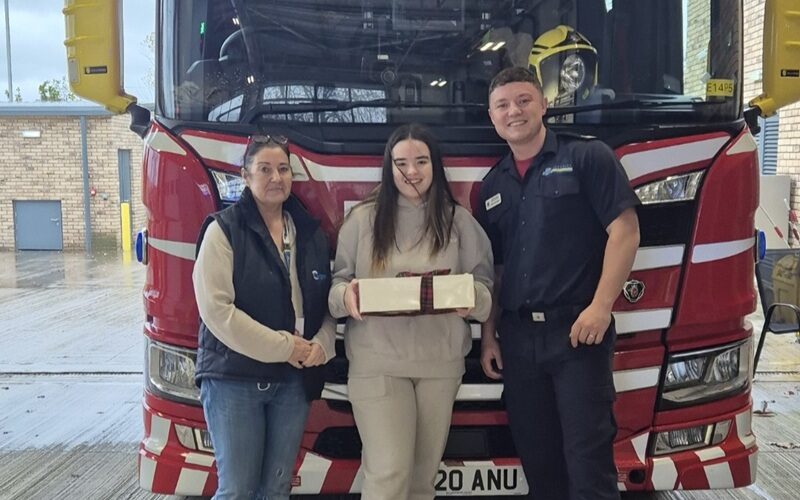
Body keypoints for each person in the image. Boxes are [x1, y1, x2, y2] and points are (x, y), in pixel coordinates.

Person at [476, 67, 640, 500]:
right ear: (492, 117)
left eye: (524, 100)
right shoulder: (492, 186)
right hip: (518, 341)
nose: (514, 111)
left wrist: (601, 307)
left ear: (544, 104)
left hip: (577, 336)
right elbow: (496, 268)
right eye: (503, 105)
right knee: (540, 467)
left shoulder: (589, 157)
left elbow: (625, 232)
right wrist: (489, 335)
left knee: (589, 470)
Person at [328, 124, 494, 500]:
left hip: (440, 365)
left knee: (421, 481)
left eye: (421, 161)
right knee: (388, 475)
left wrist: (473, 300)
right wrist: (347, 296)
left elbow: (486, 292)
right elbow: (336, 288)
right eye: (401, 163)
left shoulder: (459, 222)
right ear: (388, 168)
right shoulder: (362, 221)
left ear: (436, 165)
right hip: (378, 364)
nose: (412, 172)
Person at [192, 135, 336, 500]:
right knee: (237, 490)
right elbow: (217, 312)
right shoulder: (222, 230)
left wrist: (322, 344)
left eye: (283, 169)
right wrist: (286, 346)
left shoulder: (310, 234)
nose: (276, 178)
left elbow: (325, 305)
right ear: (245, 175)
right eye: (265, 169)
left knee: (276, 488)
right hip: (234, 381)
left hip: (293, 383)